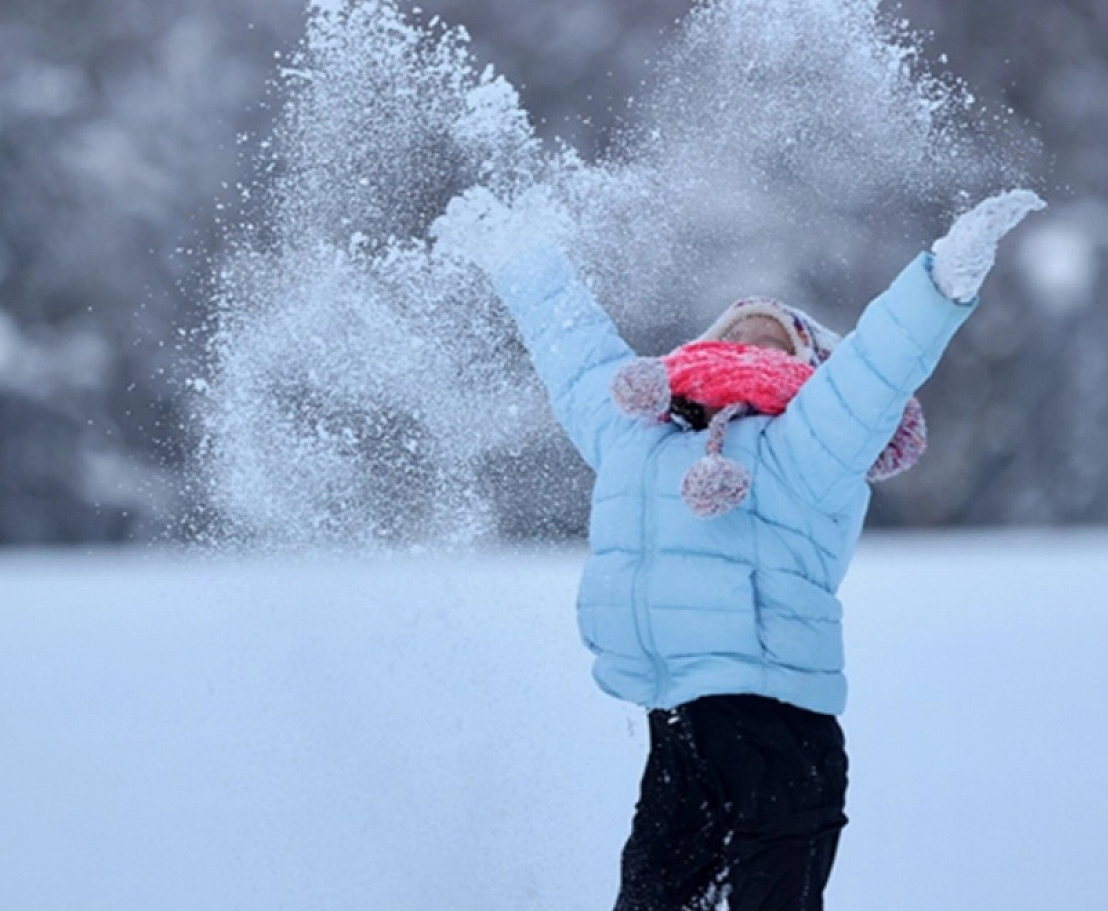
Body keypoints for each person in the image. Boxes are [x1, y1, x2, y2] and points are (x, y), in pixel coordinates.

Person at [432, 187, 1043, 911]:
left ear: (811, 365)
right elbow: (575, 353)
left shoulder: (811, 444)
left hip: (784, 735)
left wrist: (940, 281)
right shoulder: (639, 436)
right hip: (680, 731)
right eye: (736, 335)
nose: (750, 348)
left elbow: (875, 367)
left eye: (773, 340)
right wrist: (520, 256)